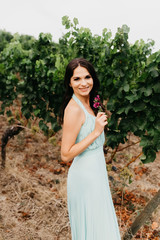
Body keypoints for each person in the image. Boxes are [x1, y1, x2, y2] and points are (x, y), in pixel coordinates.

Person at [60, 58, 121, 240]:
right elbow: (65, 154)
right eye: (77, 79)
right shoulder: (73, 110)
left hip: (97, 175)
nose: (83, 83)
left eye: (87, 77)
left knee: (100, 230)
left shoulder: (91, 101)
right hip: (85, 180)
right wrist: (95, 132)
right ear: (69, 83)